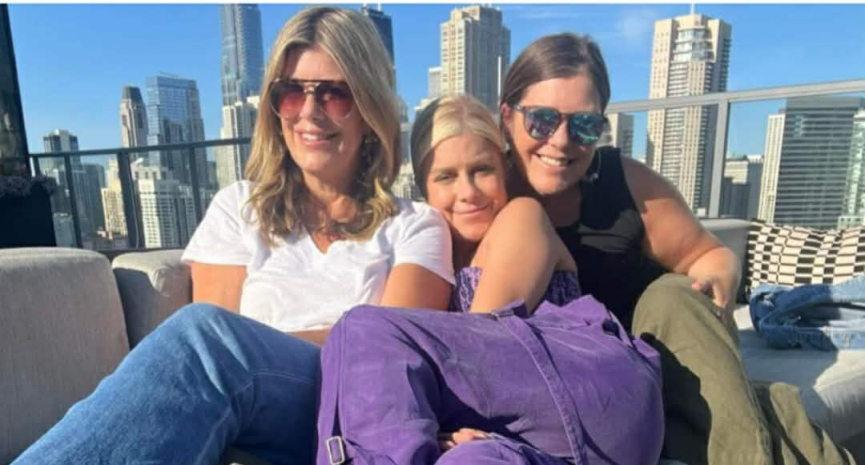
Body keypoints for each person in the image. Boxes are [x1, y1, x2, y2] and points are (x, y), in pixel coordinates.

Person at [12, 7, 453, 465]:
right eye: (290, 93)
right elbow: (218, 335)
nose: (308, 113)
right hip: (256, 406)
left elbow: (393, 352)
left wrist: (263, 345)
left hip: (353, 401)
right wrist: (270, 347)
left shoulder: (415, 224)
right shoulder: (239, 206)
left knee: (207, 340)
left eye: (334, 94)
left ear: (369, 107)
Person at [498, 32, 852, 465]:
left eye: (585, 124)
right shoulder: (481, 191)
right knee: (779, 414)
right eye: (542, 119)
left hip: (665, 361)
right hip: (585, 385)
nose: (561, 140)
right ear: (506, 117)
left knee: (673, 296)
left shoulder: (624, 183)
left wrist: (716, 284)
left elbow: (712, 255)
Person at [314, 95, 665, 465]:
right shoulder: (432, 262)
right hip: (549, 444)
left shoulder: (521, 218)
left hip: (596, 392)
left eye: (482, 170)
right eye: (446, 176)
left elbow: (476, 347)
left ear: (505, 169)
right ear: (423, 187)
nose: (468, 192)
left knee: (364, 330)